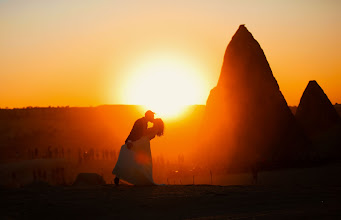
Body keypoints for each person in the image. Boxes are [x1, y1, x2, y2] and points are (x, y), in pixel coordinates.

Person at [112, 118, 164, 186]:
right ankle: (120, 175)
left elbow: (144, 133)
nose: (154, 121)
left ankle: (119, 175)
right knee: (138, 161)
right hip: (143, 143)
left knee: (125, 150)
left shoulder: (154, 128)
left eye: (155, 121)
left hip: (142, 143)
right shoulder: (155, 129)